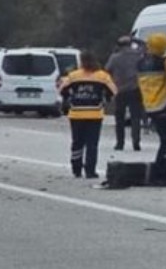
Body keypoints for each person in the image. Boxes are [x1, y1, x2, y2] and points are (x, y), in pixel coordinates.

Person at [59, 51, 117, 180]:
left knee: (77, 142)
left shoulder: (73, 76)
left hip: (76, 113)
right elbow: (113, 91)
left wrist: (70, 98)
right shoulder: (103, 76)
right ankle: (90, 171)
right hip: (95, 114)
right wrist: (105, 99)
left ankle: (76, 168)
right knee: (92, 144)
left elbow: (62, 90)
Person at [136, 33, 166, 183]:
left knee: (164, 140)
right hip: (164, 104)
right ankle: (162, 174)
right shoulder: (164, 63)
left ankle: (160, 173)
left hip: (150, 105)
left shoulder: (140, 63)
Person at [105, 35, 144, 152]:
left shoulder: (115, 57)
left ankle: (120, 143)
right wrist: (136, 39)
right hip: (135, 89)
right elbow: (146, 46)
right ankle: (136, 142)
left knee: (120, 118)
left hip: (120, 90)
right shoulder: (137, 55)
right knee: (136, 118)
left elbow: (107, 70)